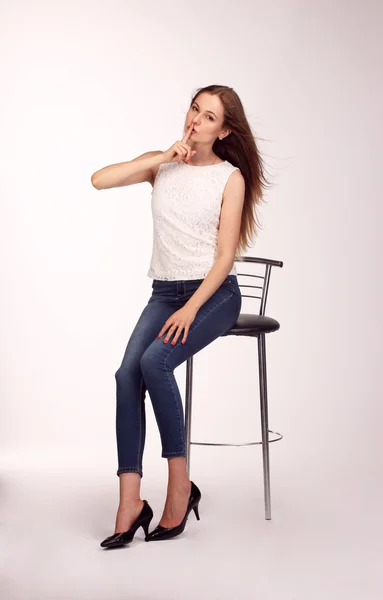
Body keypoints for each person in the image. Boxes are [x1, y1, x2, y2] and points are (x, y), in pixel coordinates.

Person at [91, 85, 270, 547]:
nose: (196, 120)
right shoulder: (164, 163)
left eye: (209, 117)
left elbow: (225, 256)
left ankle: (179, 487)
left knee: (155, 362)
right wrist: (157, 160)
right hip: (164, 292)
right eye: (195, 109)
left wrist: (192, 309)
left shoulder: (230, 178)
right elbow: (99, 179)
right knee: (126, 374)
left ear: (224, 129)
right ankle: (130, 502)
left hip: (213, 296)